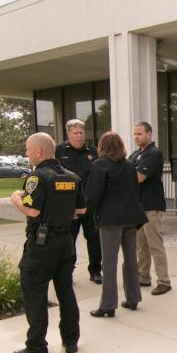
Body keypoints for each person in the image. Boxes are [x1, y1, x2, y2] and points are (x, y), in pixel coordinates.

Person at [10, 133, 86, 353]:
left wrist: (15, 198)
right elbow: (81, 211)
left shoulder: (37, 177)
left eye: (28, 149)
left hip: (42, 245)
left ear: (39, 152)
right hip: (65, 242)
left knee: (35, 295)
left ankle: (36, 348)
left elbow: (32, 211)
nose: (27, 154)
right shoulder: (72, 177)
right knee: (65, 291)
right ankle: (70, 340)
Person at [85, 131, 148, 318]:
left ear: (102, 146)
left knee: (109, 262)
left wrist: (85, 210)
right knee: (130, 259)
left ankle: (108, 305)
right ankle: (133, 298)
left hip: (110, 219)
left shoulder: (99, 165)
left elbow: (93, 194)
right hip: (130, 217)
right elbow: (135, 191)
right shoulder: (129, 165)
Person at [55, 119, 102, 284]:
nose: (79, 136)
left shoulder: (93, 151)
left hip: (90, 204)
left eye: (81, 132)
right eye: (75, 133)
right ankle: (68, 271)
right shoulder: (59, 151)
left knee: (94, 239)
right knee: (69, 240)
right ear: (68, 134)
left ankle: (95, 271)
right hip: (69, 205)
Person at [128, 122, 171, 296]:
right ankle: (143, 277)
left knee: (155, 245)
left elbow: (138, 177)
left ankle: (164, 281)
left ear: (149, 134)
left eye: (140, 134)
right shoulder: (137, 154)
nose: (136, 137)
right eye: (135, 134)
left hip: (151, 206)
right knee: (141, 245)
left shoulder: (153, 153)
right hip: (139, 206)